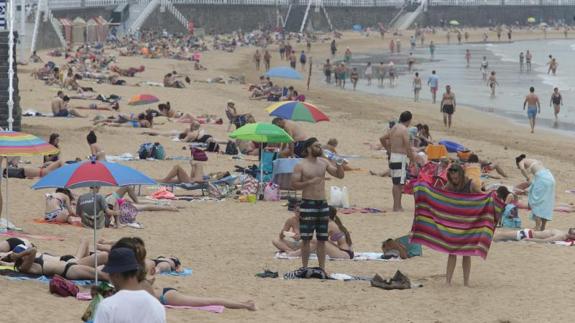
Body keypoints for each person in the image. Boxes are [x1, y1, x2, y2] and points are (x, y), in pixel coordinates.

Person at [291, 138, 344, 270]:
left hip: (322, 203)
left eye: (320, 145)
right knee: (306, 239)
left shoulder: (323, 162)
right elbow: (294, 185)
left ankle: (322, 268)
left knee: (322, 238)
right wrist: (309, 182)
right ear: (308, 148)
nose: (319, 148)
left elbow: (339, 175)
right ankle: (304, 267)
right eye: (316, 146)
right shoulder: (301, 165)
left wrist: (339, 163)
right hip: (308, 203)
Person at [94, 248, 166, 323]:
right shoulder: (157, 306)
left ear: (116, 275)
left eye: (110, 274)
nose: (109, 277)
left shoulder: (107, 306)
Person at [443, 164, 481, 287]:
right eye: (451, 176)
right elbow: (439, 195)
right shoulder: (450, 185)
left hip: (469, 223)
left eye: (455, 175)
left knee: (466, 253)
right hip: (454, 223)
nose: (454, 178)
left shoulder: (471, 185)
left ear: (460, 174)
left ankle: (466, 282)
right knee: (452, 251)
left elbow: (483, 196)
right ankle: (448, 281)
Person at [380, 111, 415, 212]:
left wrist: (388, 149)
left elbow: (382, 138)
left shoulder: (394, 128)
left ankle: (398, 205)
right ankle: (396, 206)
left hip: (393, 157)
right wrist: (412, 159)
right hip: (400, 157)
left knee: (396, 182)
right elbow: (408, 146)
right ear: (409, 120)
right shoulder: (404, 130)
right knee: (398, 184)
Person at [287, 207, 354, 259]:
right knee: (316, 242)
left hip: (344, 253)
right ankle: (295, 253)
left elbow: (319, 239)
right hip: (345, 251)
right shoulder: (333, 223)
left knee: (317, 242)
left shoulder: (330, 224)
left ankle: (294, 254)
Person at [516, 155, 555, 231]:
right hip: (550, 178)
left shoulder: (521, 161)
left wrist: (527, 177)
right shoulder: (534, 160)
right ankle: (542, 227)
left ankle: (537, 226)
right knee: (546, 203)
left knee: (536, 202)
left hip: (543, 179)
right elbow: (537, 173)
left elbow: (522, 169)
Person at [494, 228, 575, 243]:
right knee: (501, 234)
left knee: (500, 235)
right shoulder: (562, 233)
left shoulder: (561, 236)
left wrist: (528, 239)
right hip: (527, 233)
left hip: (527, 234)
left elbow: (544, 241)